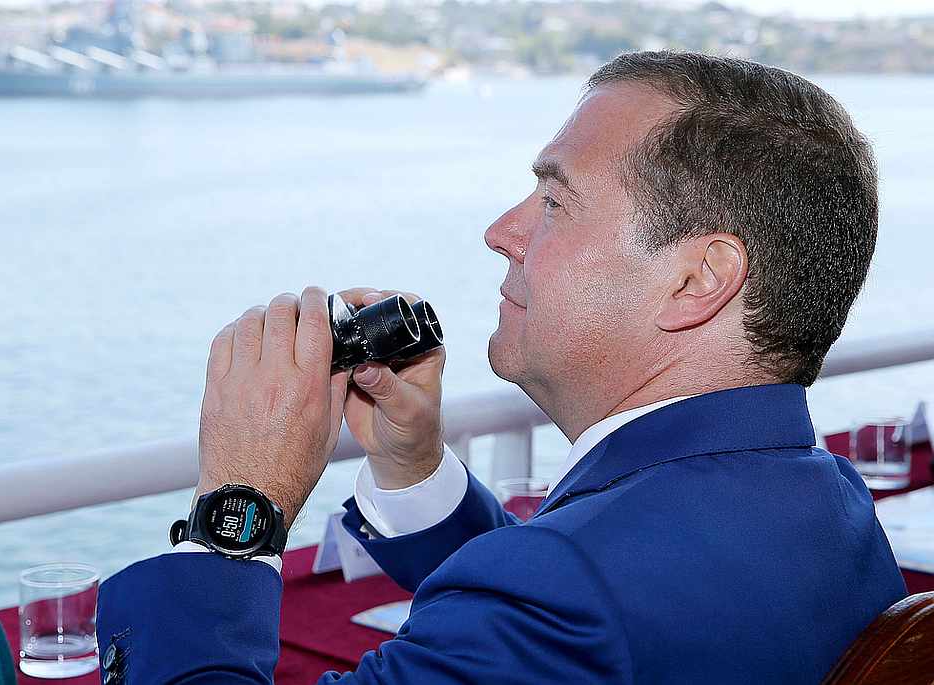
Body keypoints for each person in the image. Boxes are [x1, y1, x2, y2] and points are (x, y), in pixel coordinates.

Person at [97, 51, 906, 684]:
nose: (501, 230)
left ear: (697, 281)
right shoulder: (824, 499)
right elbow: (577, 597)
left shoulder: (571, 593)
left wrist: (240, 509)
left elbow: (568, 601)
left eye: (554, 202)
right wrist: (413, 468)